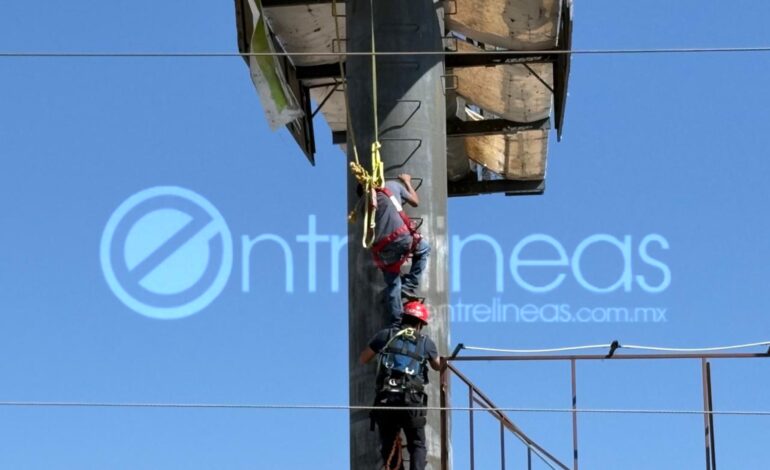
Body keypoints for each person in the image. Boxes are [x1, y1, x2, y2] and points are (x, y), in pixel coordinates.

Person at [359, 301, 441, 470]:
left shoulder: (386, 335)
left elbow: (363, 358)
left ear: (403, 317)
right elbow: (438, 366)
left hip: (386, 399)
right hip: (412, 401)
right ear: (420, 323)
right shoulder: (426, 342)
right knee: (417, 444)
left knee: (388, 443)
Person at [364, 174, 431, 325]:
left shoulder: (365, 205)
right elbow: (415, 202)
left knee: (393, 284)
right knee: (424, 248)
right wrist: (407, 181)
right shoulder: (392, 185)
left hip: (382, 249)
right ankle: (410, 284)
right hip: (401, 238)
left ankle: (396, 322)